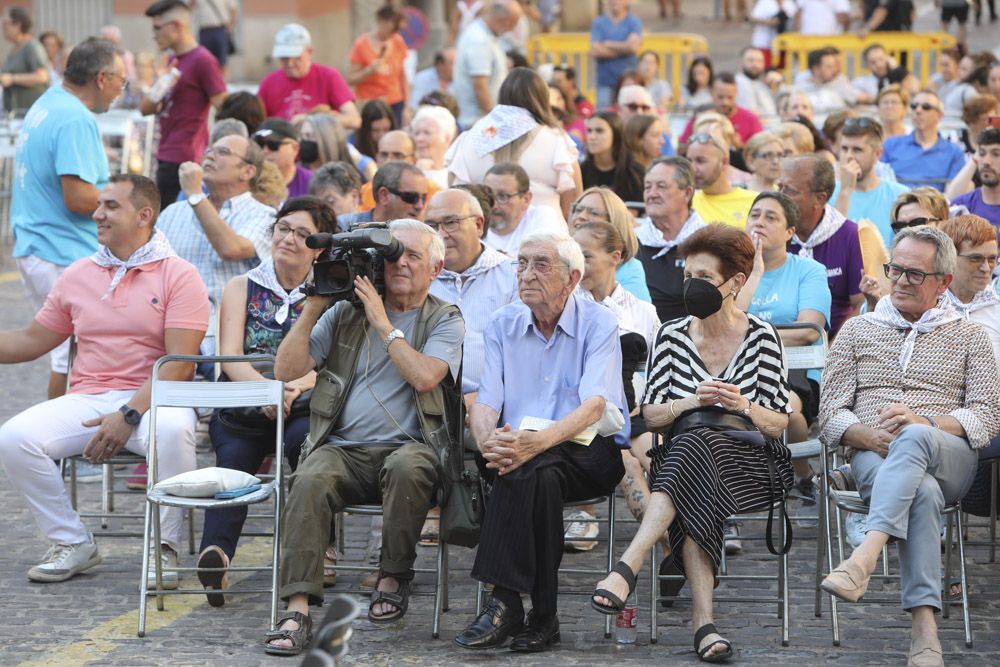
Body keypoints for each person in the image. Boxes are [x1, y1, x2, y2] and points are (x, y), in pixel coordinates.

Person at [590, 223, 793, 662]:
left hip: (750, 460)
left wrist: (742, 405)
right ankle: (704, 625)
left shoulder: (761, 335)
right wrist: (688, 402)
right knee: (695, 451)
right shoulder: (671, 334)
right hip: (689, 458)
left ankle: (631, 562)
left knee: (693, 454)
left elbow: (778, 424)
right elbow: (652, 415)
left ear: (735, 283)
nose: (691, 286)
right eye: (688, 276)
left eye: (702, 277)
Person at [263, 220, 464, 655]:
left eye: (413, 256)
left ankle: (392, 575)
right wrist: (315, 306)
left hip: (411, 448)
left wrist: (382, 321)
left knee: (410, 467)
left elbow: (426, 376)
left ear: (436, 268)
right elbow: (286, 370)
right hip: (343, 451)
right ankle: (297, 609)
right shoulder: (343, 313)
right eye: (394, 254)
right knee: (309, 474)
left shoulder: (444, 318)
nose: (401, 264)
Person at [0, 174, 210, 586]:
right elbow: (31, 340)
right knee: (13, 437)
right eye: (99, 205)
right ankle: (73, 542)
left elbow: (179, 365)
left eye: (111, 206)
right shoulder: (80, 273)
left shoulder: (179, 275)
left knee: (172, 431)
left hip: (156, 398)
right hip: (90, 398)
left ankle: (163, 547)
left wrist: (128, 413)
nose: (97, 214)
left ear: (144, 215)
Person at [818, 225, 1000, 667]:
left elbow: (987, 416)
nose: (899, 280)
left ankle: (866, 551)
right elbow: (829, 413)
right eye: (894, 269)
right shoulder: (858, 330)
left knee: (917, 436)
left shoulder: (972, 335)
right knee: (921, 493)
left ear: (943, 282)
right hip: (875, 454)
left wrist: (926, 423)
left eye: (914, 274)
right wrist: (867, 436)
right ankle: (924, 629)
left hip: (949, 454)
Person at [454, 230, 628, 653]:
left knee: (532, 466)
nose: (526, 274)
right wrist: (488, 442)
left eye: (540, 264)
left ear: (571, 279)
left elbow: (593, 407)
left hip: (589, 447)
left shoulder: (600, 322)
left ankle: (505, 601)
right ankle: (543, 616)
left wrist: (535, 442)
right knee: (538, 477)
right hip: (522, 455)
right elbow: (485, 401)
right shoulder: (502, 323)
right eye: (521, 263)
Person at [196, 195, 339, 604]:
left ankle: (320, 549)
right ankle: (218, 556)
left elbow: (336, 361)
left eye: (302, 233)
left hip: (305, 401)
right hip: (246, 403)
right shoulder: (242, 286)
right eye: (283, 228)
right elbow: (229, 358)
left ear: (320, 247)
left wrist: (296, 387)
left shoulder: (331, 295)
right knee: (234, 463)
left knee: (305, 448)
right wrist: (267, 391)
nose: (289, 239)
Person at [11, 37, 120, 400]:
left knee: (67, 352)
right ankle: (64, 445)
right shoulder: (75, 117)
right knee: (73, 356)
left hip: (40, 243)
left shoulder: (49, 101)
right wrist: (127, 204)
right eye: (122, 80)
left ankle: (64, 446)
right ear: (101, 78)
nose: (122, 90)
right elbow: (78, 198)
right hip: (60, 248)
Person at [564, 220, 659, 550]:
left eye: (586, 256)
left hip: (633, 412)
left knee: (660, 459)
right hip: (584, 416)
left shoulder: (642, 312)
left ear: (614, 257)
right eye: (573, 256)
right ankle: (669, 550)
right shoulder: (565, 307)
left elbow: (660, 372)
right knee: (628, 464)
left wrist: (643, 405)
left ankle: (687, 541)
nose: (578, 265)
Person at [741, 191, 831, 519]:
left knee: (789, 409)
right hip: (741, 367)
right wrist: (753, 273)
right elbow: (725, 323)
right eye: (755, 215)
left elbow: (810, 330)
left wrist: (750, 335)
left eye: (771, 217)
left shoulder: (809, 270)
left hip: (795, 369)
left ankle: (801, 475)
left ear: (790, 232)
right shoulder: (734, 270)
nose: (760, 222)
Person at [447, 67, 582, 220]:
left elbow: (455, 194)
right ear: (542, 99)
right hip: (546, 235)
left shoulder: (469, 138)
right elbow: (573, 202)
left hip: (487, 236)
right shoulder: (557, 140)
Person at [157, 133, 274, 309]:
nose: (210, 156)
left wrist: (196, 195)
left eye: (223, 152)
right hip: (170, 322)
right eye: (209, 151)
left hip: (227, 330)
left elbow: (231, 249)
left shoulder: (266, 215)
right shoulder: (173, 212)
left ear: (247, 171)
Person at [426, 188, 518, 400]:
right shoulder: (418, 276)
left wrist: (484, 399)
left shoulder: (513, 275)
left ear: (478, 225)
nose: (440, 234)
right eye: (431, 226)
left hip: (498, 406)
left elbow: (525, 356)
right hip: (427, 405)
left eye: (450, 222)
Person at [141, 0, 227, 207]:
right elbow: (145, 109)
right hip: (165, 153)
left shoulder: (203, 60)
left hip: (186, 158)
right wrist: (161, 83)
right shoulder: (171, 60)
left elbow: (224, 106)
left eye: (157, 28)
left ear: (176, 26)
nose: (154, 34)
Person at [779, 154, 865, 337]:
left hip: (833, 344)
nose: (780, 197)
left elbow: (860, 304)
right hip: (776, 345)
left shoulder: (848, 234)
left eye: (790, 191)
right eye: (780, 187)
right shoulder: (771, 233)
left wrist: (834, 351)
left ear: (819, 198)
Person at [636, 157, 707, 322]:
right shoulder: (631, 241)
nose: (652, 194)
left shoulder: (708, 241)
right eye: (647, 187)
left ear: (687, 193)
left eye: (661, 186)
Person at [257, 23, 360, 129]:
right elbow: (257, 124)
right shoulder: (268, 82)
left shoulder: (329, 76)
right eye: (284, 58)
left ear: (309, 52)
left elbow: (354, 119)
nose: (290, 64)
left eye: (296, 58)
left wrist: (311, 120)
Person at [832, 118, 911, 246]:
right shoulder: (828, 193)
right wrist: (845, 191)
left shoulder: (900, 195)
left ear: (878, 154)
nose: (848, 156)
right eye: (844, 148)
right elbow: (832, 245)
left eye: (857, 150)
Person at [568, 187, 650, 301]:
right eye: (578, 209)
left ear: (614, 222)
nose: (581, 216)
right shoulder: (557, 257)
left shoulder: (630, 269)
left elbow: (633, 316)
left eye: (594, 213)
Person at [452, 0, 522, 128]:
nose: (512, 29)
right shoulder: (479, 40)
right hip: (478, 121)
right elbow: (480, 85)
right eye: (513, 23)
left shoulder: (487, 33)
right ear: (502, 20)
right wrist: (495, 120)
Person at [881, 91, 967, 192]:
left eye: (926, 107)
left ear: (940, 115)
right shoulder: (890, 145)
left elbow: (952, 196)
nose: (918, 110)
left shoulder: (954, 152)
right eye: (914, 106)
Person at [483, 163, 565, 255]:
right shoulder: (474, 223)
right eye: (488, 195)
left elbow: (544, 263)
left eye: (502, 196)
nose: (493, 204)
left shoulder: (541, 217)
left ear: (526, 199)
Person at [348, 4, 408, 126]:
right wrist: (369, 70)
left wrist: (406, 106)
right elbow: (351, 79)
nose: (392, 34)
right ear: (380, 21)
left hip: (394, 101)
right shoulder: (361, 45)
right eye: (391, 29)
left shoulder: (397, 41)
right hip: (370, 103)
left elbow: (403, 76)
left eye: (396, 30)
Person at [688, 131, 758, 228]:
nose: (693, 168)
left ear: (724, 162)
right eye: (689, 161)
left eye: (700, 161)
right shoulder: (685, 201)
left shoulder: (754, 202)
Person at [679, 72, 764, 149]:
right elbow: (681, 148)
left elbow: (761, 151)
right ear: (711, 93)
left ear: (736, 94)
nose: (725, 102)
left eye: (730, 97)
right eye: (720, 97)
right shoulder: (700, 116)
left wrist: (740, 146)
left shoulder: (751, 119)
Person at [581, 111, 645, 207]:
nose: (592, 137)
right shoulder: (581, 170)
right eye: (589, 131)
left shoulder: (634, 171)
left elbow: (635, 209)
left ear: (616, 134)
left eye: (599, 131)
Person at [340, 161, 429, 226]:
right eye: (412, 197)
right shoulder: (344, 227)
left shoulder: (426, 235)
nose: (420, 205)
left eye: (424, 198)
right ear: (384, 196)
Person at [590, 0, 642, 111]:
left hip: (628, 81)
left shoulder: (633, 22)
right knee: (603, 115)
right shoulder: (599, 22)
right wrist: (624, 47)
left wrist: (608, 44)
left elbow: (633, 47)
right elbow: (595, 51)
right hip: (605, 81)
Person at [297, 112, 374, 181]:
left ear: (327, 140)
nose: (303, 141)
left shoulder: (350, 179)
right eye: (301, 136)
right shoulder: (296, 175)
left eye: (309, 136)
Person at [0, 6, 49, 114]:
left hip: (29, 113)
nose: (3, 28)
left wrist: (12, 78)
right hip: (15, 113)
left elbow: (42, 76)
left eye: (6, 24)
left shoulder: (32, 47)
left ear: (17, 26)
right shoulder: (15, 49)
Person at [948, 129, 1000, 227]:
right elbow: (951, 198)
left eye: (996, 154)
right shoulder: (963, 206)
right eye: (982, 153)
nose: (986, 161)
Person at [253, 118, 312, 199]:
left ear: (294, 148)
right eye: (260, 144)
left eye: (273, 145)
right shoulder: (247, 182)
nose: (265, 151)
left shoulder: (311, 183)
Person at [411, 105, 458, 190]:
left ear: (447, 138)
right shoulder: (407, 170)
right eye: (416, 133)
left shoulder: (456, 174)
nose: (419, 139)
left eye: (427, 133)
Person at [190, 0, 237, 70]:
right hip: (204, 31)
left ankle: (222, 80)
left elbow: (233, 10)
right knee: (204, 60)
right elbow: (189, 9)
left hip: (220, 29)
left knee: (222, 61)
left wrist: (230, 26)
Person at [749, 0, 796, 69]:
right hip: (764, 43)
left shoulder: (789, 3)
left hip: (783, 44)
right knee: (765, 68)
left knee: (782, 69)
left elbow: (794, 18)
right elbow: (753, 19)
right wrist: (770, 22)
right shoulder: (765, 2)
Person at [410, 47, 455, 112]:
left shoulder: (461, 82)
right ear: (441, 65)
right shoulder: (422, 78)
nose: (458, 67)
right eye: (453, 63)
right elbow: (414, 106)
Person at [736, 47, 777, 116]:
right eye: (750, 60)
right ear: (740, 63)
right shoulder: (740, 82)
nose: (755, 64)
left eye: (759, 61)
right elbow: (753, 115)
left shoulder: (760, 84)